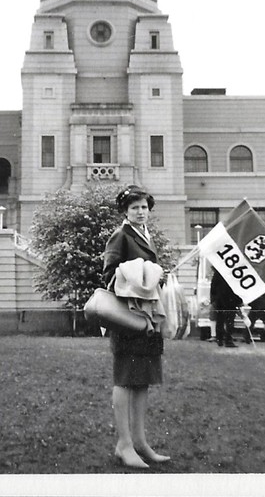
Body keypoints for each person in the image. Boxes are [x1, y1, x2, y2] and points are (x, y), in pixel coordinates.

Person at [102, 185, 170, 469]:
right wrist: (143, 275)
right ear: (125, 211)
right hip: (129, 318)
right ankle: (124, 443)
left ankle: (140, 442)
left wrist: (157, 277)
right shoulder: (121, 235)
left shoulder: (144, 235)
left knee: (142, 380)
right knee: (125, 379)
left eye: (144, 207)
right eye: (135, 208)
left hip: (147, 319)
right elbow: (109, 275)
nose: (141, 212)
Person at [210, 269, 242, 347]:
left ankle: (219, 339)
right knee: (230, 321)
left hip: (220, 300)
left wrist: (213, 299)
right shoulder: (234, 273)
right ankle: (228, 340)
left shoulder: (218, 272)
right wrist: (239, 301)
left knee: (220, 320)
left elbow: (213, 286)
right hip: (231, 300)